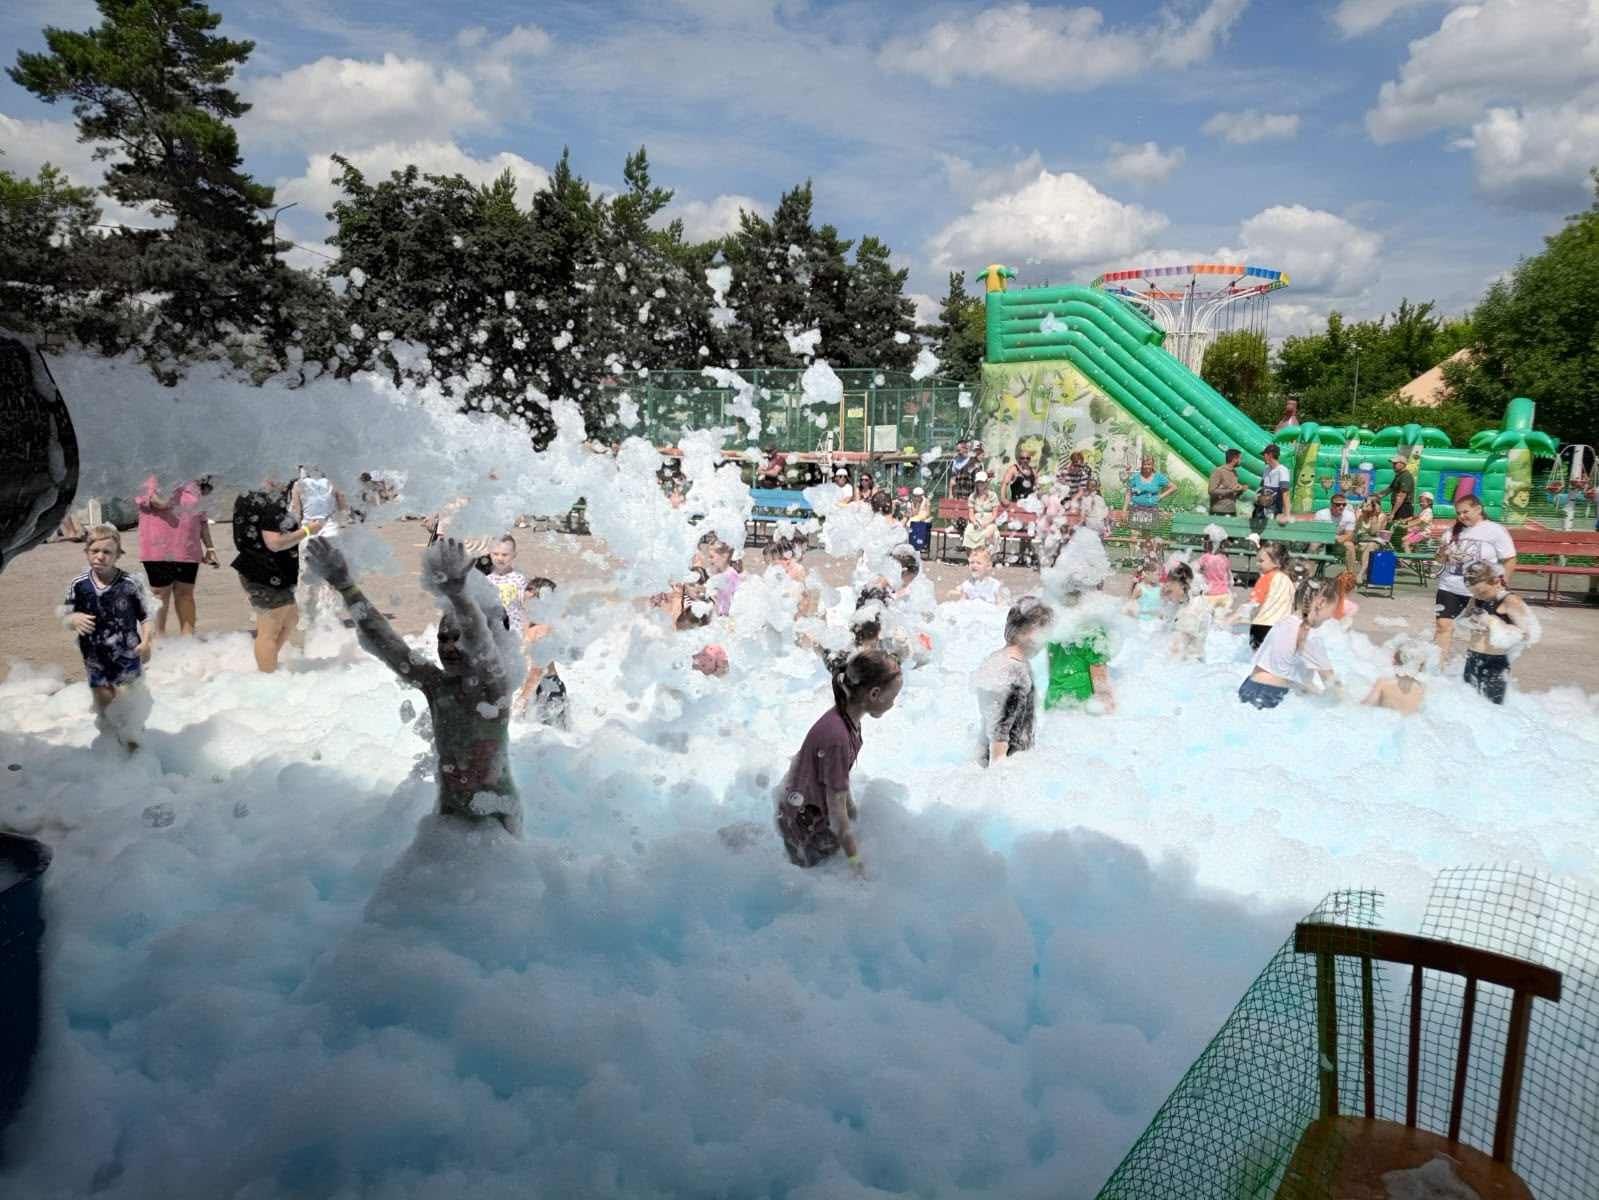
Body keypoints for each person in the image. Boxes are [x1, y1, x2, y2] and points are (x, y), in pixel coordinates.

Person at [308, 537, 523, 834]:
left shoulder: (493, 689)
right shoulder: (438, 686)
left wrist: (460, 597)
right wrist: (346, 586)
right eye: (442, 639)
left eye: (457, 638)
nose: (448, 647)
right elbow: (387, 643)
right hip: (449, 819)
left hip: (497, 825)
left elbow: (481, 646)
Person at [775, 648, 902, 872]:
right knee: (819, 873)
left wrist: (853, 812)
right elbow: (837, 814)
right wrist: (855, 864)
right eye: (893, 696)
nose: (893, 703)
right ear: (874, 694)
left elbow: (838, 781)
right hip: (801, 826)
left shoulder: (847, 720)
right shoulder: (837, 738)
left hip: (802, 810)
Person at [62, 525, 153, 746]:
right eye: (95, 551)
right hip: (94, 658)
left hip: (127, 654)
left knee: (131, 710)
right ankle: (111, 749)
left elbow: (146, 615)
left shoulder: (130, 583)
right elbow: (65, 615)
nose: (100, 556)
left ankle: (136, 749)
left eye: (107, 552)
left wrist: (147, 641)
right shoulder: (79, 584)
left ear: (118, 554)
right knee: (104, 708)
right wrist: (74, 619)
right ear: (87, 552)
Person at [231, 478, 322, 672]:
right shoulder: (271, 502)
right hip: (267, 572)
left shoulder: (248, 494)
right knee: (268, 633)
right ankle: (267, 677)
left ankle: (268, 661)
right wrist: (307, 530)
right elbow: (275, 542)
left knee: (291, 619)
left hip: (261, 569)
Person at [1433, 493, 1517, 664]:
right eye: (1458, 513)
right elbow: (1439, 560)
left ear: (1478, 509)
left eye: (1466, 512)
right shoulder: (1452, 531)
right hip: (1450, 586)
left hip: (1480, 591)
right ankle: (1436, 667)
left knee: (1478, 630)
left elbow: (1510, 558)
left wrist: (1503, 584)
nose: (1461, 516)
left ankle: (1474, 669)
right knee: (1443, 626)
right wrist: (1442, 551)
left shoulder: (1494, 530)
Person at [136, 475, 218, 638]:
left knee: (186, 594)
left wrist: (210, 548)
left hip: (187, 549)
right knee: (160, 594)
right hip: (157, 549)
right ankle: (159, 638)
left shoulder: (194, 484)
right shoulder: (149, 480)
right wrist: (167, 481)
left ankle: (188, 639)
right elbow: (161, 503)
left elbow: (202, 521)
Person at [1238, 579, 1340, 709]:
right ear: (1321, 603)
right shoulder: (1311, 637)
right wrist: (1351, 703)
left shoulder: (1282, 623)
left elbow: (1286, 675)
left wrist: (1316, 692)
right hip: (1271, 696)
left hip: (1248, 687)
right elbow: (1331, 683)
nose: (1331, 617)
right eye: (1332, 610)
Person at [976, 596, 1053, 765]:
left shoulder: (994, 660)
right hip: (1007, 762)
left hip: (984, 756)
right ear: (1032, 633)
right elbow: (1000, 733)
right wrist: (996, 773)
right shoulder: (1015, 674)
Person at [1459, 560, 1532, 704]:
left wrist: (1493, 623)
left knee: (1492, 706)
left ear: (1497, 582)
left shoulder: (1510, 600)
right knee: (1468, 704)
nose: (1479, 596)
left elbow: (1524, 634)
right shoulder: (1477, 598)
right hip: (1473, 656)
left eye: (1482, 592)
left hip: (1495, 661)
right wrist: (1470, 622)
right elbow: (1460, 621)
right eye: (1474, 593)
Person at [1230, 541, 1293, 651]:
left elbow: (1252, 603)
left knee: (1258, 659)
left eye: (1261, 561)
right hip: (1282, 629)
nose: (1257, 564)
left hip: (1262, 627)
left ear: (1276, 562)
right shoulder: (1289, 581)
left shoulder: (1266, 578)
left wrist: (1231, 618)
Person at [1361, 638, 1431, 714]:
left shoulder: (1383, 683)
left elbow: (1364, 707)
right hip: (1412, 721)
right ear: (1421, 665)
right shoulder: (1422, 688)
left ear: (1393, 660)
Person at [484, 536, 529, 636]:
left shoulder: (519, 579)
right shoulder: (487, 580)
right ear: (490, 554)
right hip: (495, 632)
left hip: (516, 631)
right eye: (496, 554)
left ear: (514, 555)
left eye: (505, 555)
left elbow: (525, 606)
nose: (500, 558)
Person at [1122, 454, 1176, 532]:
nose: (1147, 466)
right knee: (1134, 534)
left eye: (1149, 464)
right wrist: (1124, 511)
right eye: (1145, 464)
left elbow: (1173, 487)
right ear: (1142, 465)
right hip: (1136, 508)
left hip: (1151, 509)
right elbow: (1128, 493)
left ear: (1153, 465)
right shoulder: (1136, 477)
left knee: (1146, 535)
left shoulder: (1158, 477)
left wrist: (1161, 496)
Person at [290, 466, 348, 537]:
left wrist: (299, 530)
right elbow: (344, 510)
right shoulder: (333, 483)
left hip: (309, 529)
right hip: (330, 529)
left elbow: (297, 514)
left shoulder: (298, 485)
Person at [1314, 492, 1359, 573]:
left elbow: (1349, 536)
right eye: (1338, 504)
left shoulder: (1350, 515)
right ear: (1331, 504)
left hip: (1340, 541)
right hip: (1323, 541)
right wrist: (1335, 537)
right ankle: (1308, 575)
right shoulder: (1321, 514)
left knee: (1350, 545)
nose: (1341, 507)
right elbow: (1319, 533)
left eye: (1344, 504)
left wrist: (1338, 538)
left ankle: (1350, 575)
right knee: (1313, 545)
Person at [962, 472, 1002, 555]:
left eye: (982, 482)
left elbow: (995, 514)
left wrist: (986, 523)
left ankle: (986, 557)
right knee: (968, 532)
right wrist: (974, 522)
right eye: (978, 482)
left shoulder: (992, 496)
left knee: (988, 534)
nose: (980, 484)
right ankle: (971, 557)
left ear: (986, 482)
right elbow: (971, 514)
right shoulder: (972, 497)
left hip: (989, 522)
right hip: (976, 522)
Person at [1196, 526, 1234, 611]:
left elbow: (1194, 571)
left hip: (1210, 595)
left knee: (1207, 617)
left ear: (1211, 544)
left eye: (1205, 541)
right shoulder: (1224, 558)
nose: (1204, 543)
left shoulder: (1205, 558)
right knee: (1220, 617)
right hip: (1224, 595)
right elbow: (1230, 578)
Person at [1254, 443, 1291, 524]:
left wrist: (1287, 515)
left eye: (1264, 455)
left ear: (1270, 455)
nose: (1263, 457)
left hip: (1275, 511)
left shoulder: (1283, 470)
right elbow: (1261, 488)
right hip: (1263, 509)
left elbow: (1285, 494)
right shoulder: (1266, 469)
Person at [1208, 448, 1248, 516]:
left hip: (1231, 511)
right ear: (1234, 459)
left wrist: (1241, 489)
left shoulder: (1234, 472)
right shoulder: (1218, 471)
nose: (1241, 461)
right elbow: (1211, 491)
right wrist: (1232, 490)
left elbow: (1232, 492)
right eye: (1240, 458)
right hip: (1218, 512)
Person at [1377, 455, 1416, 522]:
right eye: (1393, 463)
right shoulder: (1399, 475)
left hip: (1404, 507)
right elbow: (1389, 489)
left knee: (1400, 527)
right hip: (1399, 507)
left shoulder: (1406, 476)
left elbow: (1401, 496)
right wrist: (1376, 497)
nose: (1393, 465)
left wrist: (1392, 513)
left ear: (1403, 464)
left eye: (1395, 463)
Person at [907, 487, 933, 554]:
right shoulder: (913, 502)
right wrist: (917, 504)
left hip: (925, 516)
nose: (916, 498)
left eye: (918, 496)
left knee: (921, 523)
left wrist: (924, 518)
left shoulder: (926, 501)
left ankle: (922, 545)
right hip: (917, 516)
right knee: (912, 522)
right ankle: (913, 543)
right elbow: (914, 514)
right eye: (915, 496)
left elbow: (928, 513)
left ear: (921, 495)